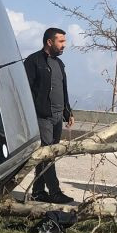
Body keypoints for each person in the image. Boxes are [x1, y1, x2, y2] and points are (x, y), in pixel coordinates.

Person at [24, 27, 75, 204]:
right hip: (42, 116)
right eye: (61, 41)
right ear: (49, 42)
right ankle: (55, 192)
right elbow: (26, 90)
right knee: (49, 154)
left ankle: (38, 191)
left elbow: (63, 89)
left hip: (57, 117)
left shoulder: (59, 64)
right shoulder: (34, 61)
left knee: (45, 155)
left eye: (64, 41)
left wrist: (67, 112)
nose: (64, 45)